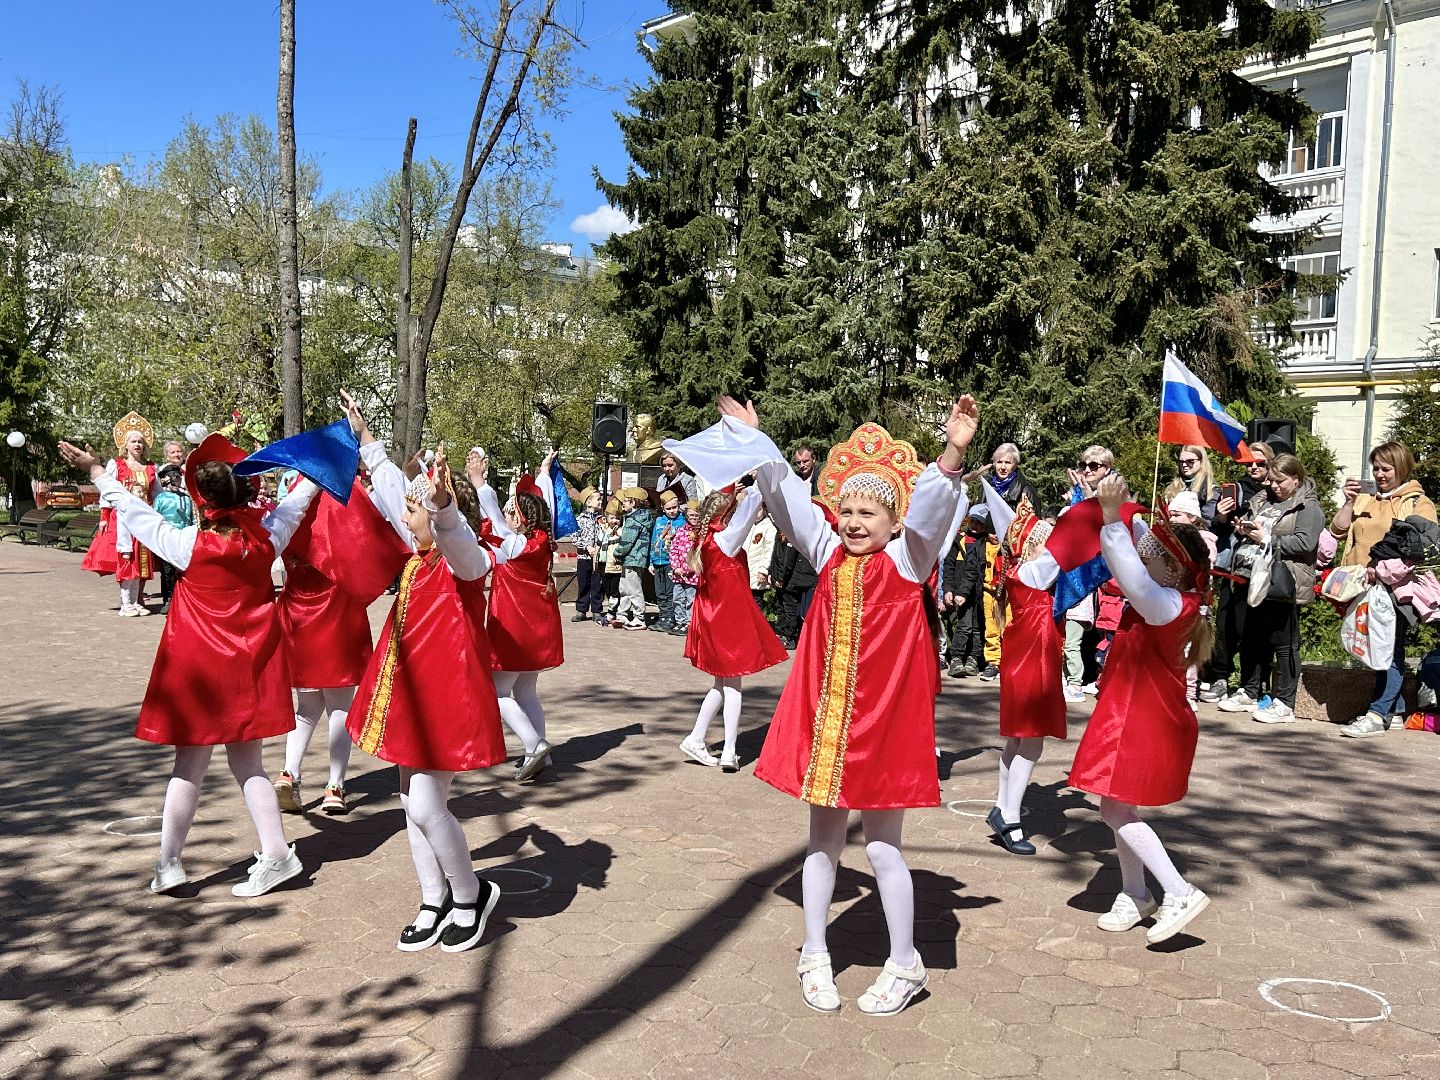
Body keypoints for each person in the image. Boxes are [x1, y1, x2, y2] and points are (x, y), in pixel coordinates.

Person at [686, 395, 977, 1017]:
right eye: (845, 508)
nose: (852, 520)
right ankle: (814, 951)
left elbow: (929, 510)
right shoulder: (826, 555)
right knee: (820, 844)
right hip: (827, 729)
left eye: (868, 512)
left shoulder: (907, 558)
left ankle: (905, 962)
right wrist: (757, 444)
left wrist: (952, 451)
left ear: (893, 521)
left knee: (881, 849)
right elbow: (790, 497)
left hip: (883, 730)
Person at [59, 431, 322, 898]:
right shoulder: (266, 544)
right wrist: (319, 469)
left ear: (203, 501)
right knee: (250, 764)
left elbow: (133, 512)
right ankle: (277, 854)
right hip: (249, 670)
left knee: (190, 765)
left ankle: (170, 864)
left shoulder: (186, 544)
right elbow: (295, 504)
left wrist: (97, 471)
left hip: (199, 674)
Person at [349, 444, 506, 952]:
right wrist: (371, 444)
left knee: (424, 802)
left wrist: (444, 508)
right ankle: (432, 896)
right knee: (407, 800)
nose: (403, 515)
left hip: (446, 700)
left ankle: (471, 894)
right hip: (408, 696)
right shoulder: (419, 557)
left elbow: (459, 541)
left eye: (415, 510)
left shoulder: (463, 560)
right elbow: (398, 491)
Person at [1068, 474, 1213, 944]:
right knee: (1117, 804)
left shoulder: (1168, 602)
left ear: (1172, 569)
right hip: (1130, 711)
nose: (1146, 551)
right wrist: (1119, 504)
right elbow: (1139, 545)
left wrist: (1112, 518)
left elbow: (1130, 567)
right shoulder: (1172, 589)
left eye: (1156, 553)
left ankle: (1178, 890)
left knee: (1113, 808)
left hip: (1144, 718)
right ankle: (1135, 893)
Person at [274, 394, 413, 816]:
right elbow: (384, 533)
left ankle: (289, 772)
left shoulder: (294, 498)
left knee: (307, 705)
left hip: (297, 609)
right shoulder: (350, 497)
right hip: (338, 611)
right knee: (340, 705)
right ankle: (335, 785)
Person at [1328, 440, 1438, 737]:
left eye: (1386, 468)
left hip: (1396, 588)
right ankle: (1396, 710)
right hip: (1360, 585)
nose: (1379, 474)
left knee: (1388, 648)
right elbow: (1337, 531)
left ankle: (1377, 714)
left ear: (1401, 467)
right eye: (1375, 468)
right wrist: (1349, 502)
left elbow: (1422, 547)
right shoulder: (1366, 498)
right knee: (1376, 648)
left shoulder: (1417, 502)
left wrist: (1383, 570)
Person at [677, 487, 789, 771]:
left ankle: (696, 738)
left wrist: (735, 489)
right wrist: (756, 483)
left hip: (714, 618)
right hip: (728, 619)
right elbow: (751, 509)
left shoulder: (707, 539)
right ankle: (729, 750)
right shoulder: (726, 538)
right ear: (728, 515)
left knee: (721, 684)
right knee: (734, 686)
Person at [470, 455, 564, 781]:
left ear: (522, 519)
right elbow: (539, 500)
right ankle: (539, 754)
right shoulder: (540, 542)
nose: (507, 517)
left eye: (513, 513)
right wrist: (543, 474)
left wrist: (481, 487)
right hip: (536, 629)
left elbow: (495, 525)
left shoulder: (518, 545)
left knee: (497, 692)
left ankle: (534, 744)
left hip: (514, 629)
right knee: (526, 693)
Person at [1215, 454, 1323, 724]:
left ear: (1296, 478)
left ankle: (1285, 702)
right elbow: (1256, 527)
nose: (1274, 486)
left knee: (1284, 643)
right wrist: (1244, 529)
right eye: (1271, 481)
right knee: (1252, 636)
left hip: (1284, 581)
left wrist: (1268, 539)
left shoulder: (1307, 508)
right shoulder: (1262, 500)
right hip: (1254, 577)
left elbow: (1305, 544)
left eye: (1280, 481)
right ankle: (1250, 690)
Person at [988, 500, 1062, 855]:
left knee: (1019, 739)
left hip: (1025, 654)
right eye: (1045, 541)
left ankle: (1003, 808)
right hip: (1032, 657)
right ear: (1032, 546)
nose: (1052, 547)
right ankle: (1011, 819)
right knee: (1031, 742)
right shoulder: (1034, 572)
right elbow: (1065, 552)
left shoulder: (1021, 571)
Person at [1197, 442, 1275, 702]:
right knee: (1227, 622)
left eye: (1260, 463)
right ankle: (1221, 677)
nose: (1253, 467)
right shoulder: (1235, 489)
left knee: (1255, 627)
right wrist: (1220, 518)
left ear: (1271, 465)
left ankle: (1254, 683)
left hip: (1263, 568)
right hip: (1234, 567)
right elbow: (1215, 531)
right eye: (1248, 463)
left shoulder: (1276, 493)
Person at [81, 412, 160, 616]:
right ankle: (126, 602)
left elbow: (158, 494)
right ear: (125, 445)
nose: (137, 445)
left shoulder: (151, 468)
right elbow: (107, 492)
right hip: (123, 519)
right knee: (127, 557)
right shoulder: (116, 465)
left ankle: (138, 599)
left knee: (144, 559)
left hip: (145, 518)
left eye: (140, 441)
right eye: (133, 441)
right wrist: (104, 517)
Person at [1164, 490, 1218, 708]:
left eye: (1177, 515)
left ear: (1193, 517)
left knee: (1189, 649)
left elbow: (1204, 564)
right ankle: (1171, 687)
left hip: (1195, 602)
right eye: (1171, 514)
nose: (1172, 519)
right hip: (1174, 599)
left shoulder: (1204, 541)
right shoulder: (1171, 539)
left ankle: (1188, 692)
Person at [942, 507, 991, 677]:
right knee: (963, 626)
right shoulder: (959, 540)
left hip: (980, 593)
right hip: (960, 592)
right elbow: (948, 567)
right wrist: (947, 589)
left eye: (979, 522)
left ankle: (974, 659)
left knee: (978, 627)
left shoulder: (986, 542)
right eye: (972, 521)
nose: (975, 525)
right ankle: (956, 658)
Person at [152, 463, 194, 615]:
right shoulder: (161, 498)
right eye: (172, 478)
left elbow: (192, 518)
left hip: (184, 538)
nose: (175, 481)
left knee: (184, 570)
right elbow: (155, 517)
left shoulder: (186, 498)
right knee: (167, 571)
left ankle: (183, 599)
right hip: (167, 538)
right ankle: (168, 598)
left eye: (178, 477)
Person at [613, 488, 651, 630]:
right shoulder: (642, 517)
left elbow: (627, 542)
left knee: (633, 589)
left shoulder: (633, 520)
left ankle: (639, 618)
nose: (623, 504)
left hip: (632, 559)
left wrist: (617, 553)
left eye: (626, 501)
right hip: (635, 559)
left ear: (633, 503)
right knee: (625, 587)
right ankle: (622, 615)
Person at [648, 489, 683, 632]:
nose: (672, 511)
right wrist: (651, 561)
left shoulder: (682, 522)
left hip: (671, 562)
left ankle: (670, 617)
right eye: (668, 508)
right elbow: (654, 540)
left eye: (674, 507)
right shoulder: (659, 521)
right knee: (660, 592)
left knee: (670, 591)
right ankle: (662, 616)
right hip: (658, 560)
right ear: (663, 508)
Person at [571, 488, 605, 623]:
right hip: (584, 558)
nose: (601, 501)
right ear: (588, 502)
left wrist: (599, 547)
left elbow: (606, 534)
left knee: (597, 584)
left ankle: (597, 610)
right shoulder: (579, 520)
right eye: (598, 499)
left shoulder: (601, 519)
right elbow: (574, 537)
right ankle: (581, 609)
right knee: (583, 583)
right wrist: (586, 547)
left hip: (598, 558)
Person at [1162, 445, 1220, 523]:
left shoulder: (1211, 489)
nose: (1184, 465)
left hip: (1196, 533)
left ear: (1202, 461)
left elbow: (1207, 522)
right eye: (1181, 462)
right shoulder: (1173, 488)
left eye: (1190, 461)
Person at [668, 499, 701, 636]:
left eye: (696, 516)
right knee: (677, 598)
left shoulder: (701, 533)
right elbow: (674, 549)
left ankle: (689, 622)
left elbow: (700, 554)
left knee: (691, 600)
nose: (693, 518)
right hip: (678, 574)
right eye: (691, 516)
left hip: (693, 575)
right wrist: (676, 567)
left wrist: (689, 569)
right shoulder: (682, 531)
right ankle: (680, 621)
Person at [742, 502, 778, 603]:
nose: (756, 513)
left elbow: (769, 550)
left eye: (759, 510)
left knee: (756, 601)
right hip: (746, 569)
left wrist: (763, 570)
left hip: (757, 571)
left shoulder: (768, 527)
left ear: (764, 510)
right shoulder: (749, 525)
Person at [597, 500, 624, 626]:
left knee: (615, 591)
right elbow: (599, 543)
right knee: (607, 589)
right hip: (604, 564)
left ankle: (613, 612)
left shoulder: (620, 531)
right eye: (612, 518)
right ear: (607, 518)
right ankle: (612, 610)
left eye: (617, 518)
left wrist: (617, 532)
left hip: (615, 565)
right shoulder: (603, 530)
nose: (615, 521)